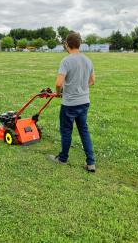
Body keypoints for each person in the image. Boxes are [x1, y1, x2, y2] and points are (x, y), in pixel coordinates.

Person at [48, 32, 96, 172]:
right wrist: (81, 87)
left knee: (66, 131)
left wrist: (58, 93)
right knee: (84, 131)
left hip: (69, 104)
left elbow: (58, 83)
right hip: (84, 102)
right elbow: (92, 81)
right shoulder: (88, 60)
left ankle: (62, 159)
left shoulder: (66, 61)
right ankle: (91, 163)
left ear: (66, 45)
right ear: (79, 44)